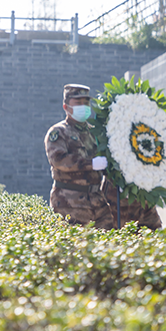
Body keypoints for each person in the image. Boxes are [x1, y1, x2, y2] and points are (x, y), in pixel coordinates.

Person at [44, 83, 113, 228]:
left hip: (97, 202)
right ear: (66, 107)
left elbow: (107, 159)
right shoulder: (58, 132)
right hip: (69, 202)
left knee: (107, 245)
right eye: (78, 102)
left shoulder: (94, 132)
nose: (83, 106)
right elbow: (58, 160)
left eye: (86, 102)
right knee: (74, 247)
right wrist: (91, 164)